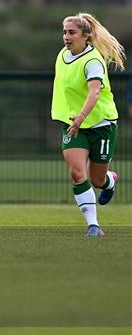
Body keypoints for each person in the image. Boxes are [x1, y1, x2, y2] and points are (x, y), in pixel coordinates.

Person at [51, 12, 126, 237]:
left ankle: (109, 181)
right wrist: (74, 118)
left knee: (97, 179)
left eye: (72, 32)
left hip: (101, 124)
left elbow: (94, 92)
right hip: (73, 124)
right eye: (64, 32)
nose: (66, 36)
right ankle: (93, 225)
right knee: (76, 173)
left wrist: (82, 116)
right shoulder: (63, 54)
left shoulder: (93, 61)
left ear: (85, 36)